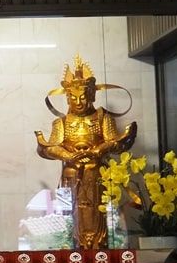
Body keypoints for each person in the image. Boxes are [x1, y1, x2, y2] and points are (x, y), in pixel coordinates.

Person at [35, 55, 137, 249]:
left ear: (92, 95)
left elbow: (116, 143)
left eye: (82, 97)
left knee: (99, 213)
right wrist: (67, 155)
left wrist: (99, 150)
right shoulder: (61, 122)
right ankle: (71, 245)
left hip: (97, 173)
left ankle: (101, 244)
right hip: (71, 174)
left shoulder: (102, 118)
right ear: (67, 98)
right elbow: (49, 148)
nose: (78, 101)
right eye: (73, 98)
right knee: (71, 215)